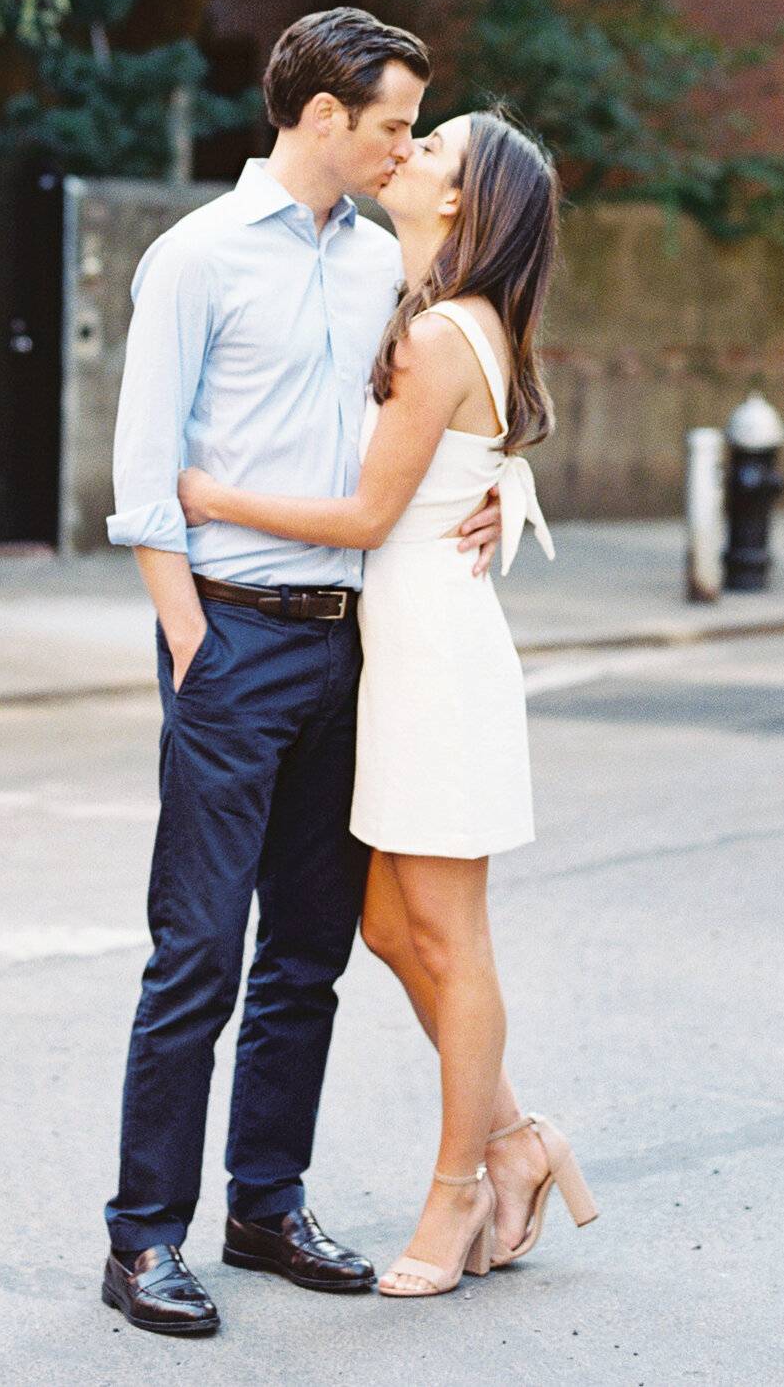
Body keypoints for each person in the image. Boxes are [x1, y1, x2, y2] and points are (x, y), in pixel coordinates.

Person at [100, 8, 502, 1339]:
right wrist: (186, 631)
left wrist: (502, 492)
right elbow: (144, 467)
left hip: (355, 642)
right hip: (231, 632)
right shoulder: (196, 258)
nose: (403, 145)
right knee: (200, 950)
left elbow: (458, 403)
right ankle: (143, 1238)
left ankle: (263, 1207)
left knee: (307, 955)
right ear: (322, 117)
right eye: (392, 122)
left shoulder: (383, 265)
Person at [178, 108, 597, 1300]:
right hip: (398, 656)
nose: (404, 153)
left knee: (452, 942)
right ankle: (519, 1135)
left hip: (432, 661)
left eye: (432, 150)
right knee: (385, 927)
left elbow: (365, 517)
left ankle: (461, 1189)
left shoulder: (436, 337)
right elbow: (468, 450)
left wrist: (214, 492)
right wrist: (506, 479)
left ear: (460, 204)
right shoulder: (434, 319)